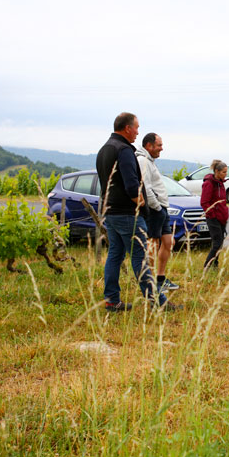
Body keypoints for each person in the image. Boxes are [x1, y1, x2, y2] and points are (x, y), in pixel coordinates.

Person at [96, 112, 180, 312]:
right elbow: (132, 184)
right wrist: (140, 202)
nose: (137, 133)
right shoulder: (124, 150)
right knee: (139, 258)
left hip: (111, 211)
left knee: (114, 255)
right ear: (127, 128)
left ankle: (111, 300)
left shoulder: (104, 149)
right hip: (127, 213)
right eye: (136, 128)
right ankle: (157, 302)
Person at [135, 132, 179, 292]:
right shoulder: (142, 161)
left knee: (168, 243)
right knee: (153, 244)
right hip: (155, 209)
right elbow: (145, 187)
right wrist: (157, 207)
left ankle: (160, 279)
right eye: (159, 145)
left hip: (162, 208)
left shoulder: (150, 161)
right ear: (149, 146)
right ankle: (150, 281)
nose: (162, 148)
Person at [201, 160, 229, 270]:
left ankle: (215, 265)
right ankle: (207, 266)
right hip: (213, 218)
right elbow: (204, 202)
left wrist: (224, 213)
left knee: (219, 243)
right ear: (216, 171)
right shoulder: (208, 183)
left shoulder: (221, 183)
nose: (225, 174)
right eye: (223, 172)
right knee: (217, 242)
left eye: (226, 172)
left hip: (222, 217)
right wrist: (212, 215)